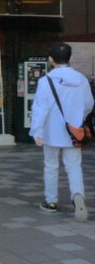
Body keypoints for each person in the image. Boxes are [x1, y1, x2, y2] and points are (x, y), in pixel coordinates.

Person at [29, 42, 94, 221]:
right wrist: (77, 118)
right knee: (74, 166)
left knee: (51, 166)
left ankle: (51, 201)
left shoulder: (45, 81)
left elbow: (40, 108)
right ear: (71, 58)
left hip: (51, 133)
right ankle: (77, 195)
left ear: (51, 60)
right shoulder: (81, 80)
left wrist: (37, 132)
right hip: (74, 132)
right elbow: (89, 104)